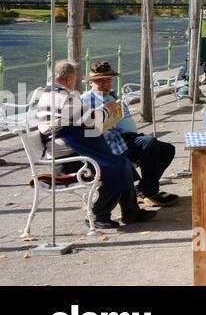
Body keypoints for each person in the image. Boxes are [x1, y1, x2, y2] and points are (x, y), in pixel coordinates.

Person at [34, 61, 153, 230]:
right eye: (74, 80)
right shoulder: (63, 98)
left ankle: (131, 211)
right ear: (68, 79)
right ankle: (99, 214)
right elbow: (91, 121)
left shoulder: (49, 94)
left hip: (66, 153)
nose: (74, 83)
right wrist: (108, 109)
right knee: (117, 167)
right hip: (68, 160)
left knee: (120, 163)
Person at [81, 61, 178, 206]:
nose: (106, 83)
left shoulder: (112, 96)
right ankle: (149, 192)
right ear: (91, 83)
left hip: (127, 140)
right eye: (100, 81)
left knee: (167, 149)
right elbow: (88, 131)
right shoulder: (86, 100)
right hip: (111, 145)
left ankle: (143, 189)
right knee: (149, 143)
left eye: (108, 80)